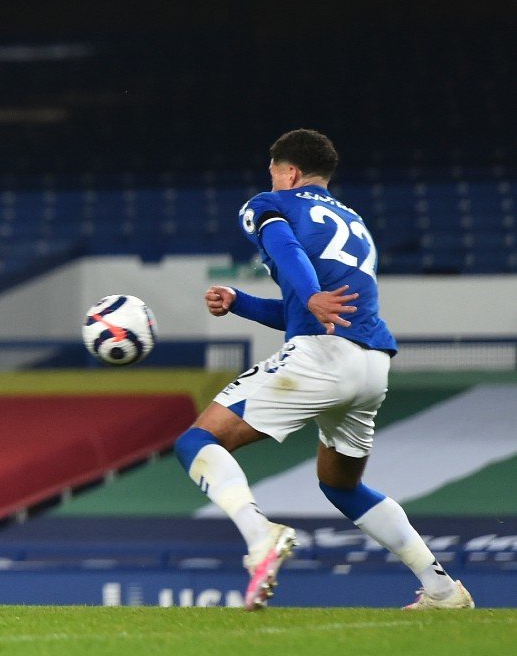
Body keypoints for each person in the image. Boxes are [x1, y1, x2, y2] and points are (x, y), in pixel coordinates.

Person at [174, 129, 474, 611]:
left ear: (288, 172)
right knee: (341, 484)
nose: (268, 178)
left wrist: (310, 293)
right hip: (372, 365)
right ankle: (441, 590)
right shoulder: (351, 221)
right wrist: (239, 302)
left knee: (195, 442)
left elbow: (291, 262)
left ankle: (260, 537)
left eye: (272, 170)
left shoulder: (270, 204)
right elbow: (303, 310)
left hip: (322, 357)